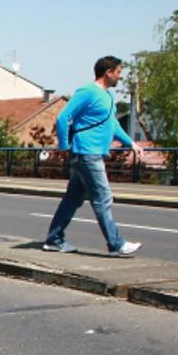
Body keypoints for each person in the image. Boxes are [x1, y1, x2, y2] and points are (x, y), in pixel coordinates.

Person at [43, 56, 143, 256]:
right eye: (118, 73)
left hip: (92, 153)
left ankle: (54, 239)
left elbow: (112, 124)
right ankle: (116, 244)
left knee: (73, 199)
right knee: (103, 197)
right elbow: (64, 117)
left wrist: (131, 143)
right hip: (86, 153)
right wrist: (64, 145)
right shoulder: (87, 92)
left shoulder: (107, 97)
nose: (119, 77)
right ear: (108, 72)